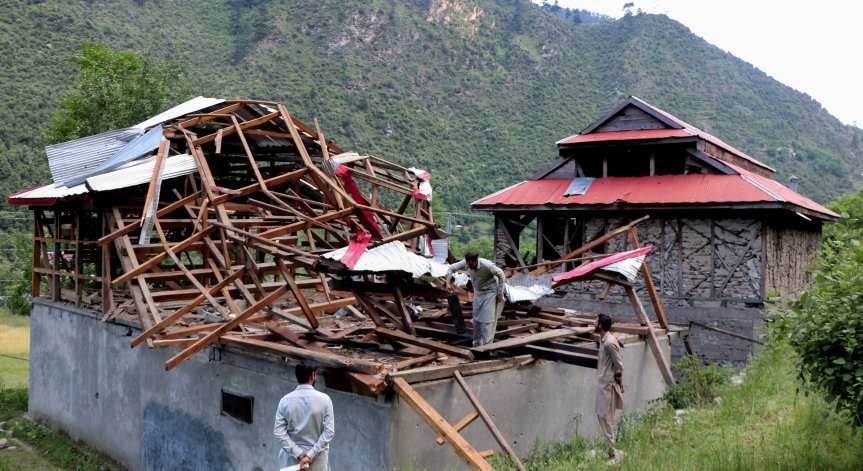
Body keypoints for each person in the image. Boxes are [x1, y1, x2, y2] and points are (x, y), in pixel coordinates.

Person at [274, 359, 335, 471]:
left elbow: (279, 432)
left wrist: (299, 453)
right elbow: (329, 432)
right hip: (317, 462)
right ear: (313, 375)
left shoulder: (285, 400)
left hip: (292, 461)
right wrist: (310, 454)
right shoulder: (325, 400)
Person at [444, 251, 506, 347]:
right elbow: (451, 268)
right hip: (478, 291)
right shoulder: (466, 263)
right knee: (476, 318)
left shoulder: (487, 265)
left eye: (472, 264)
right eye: (468, 264)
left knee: (487, 320)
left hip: (490, 291)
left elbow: (501, 274)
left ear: (476, 261)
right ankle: (476, 344)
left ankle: (486, 346)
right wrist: (448, 283)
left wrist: (500, 292)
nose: (470, 266)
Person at [595, 313, 624, 461]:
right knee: (602, 416)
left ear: (600, 325)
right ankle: (611, 449)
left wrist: (619, 381)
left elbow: (619, 365)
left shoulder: (609, 342)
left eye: (596, 321)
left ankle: (613, 451)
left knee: (605, 417)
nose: (594, 323)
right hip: (602, 384)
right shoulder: (603, 340)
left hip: (607, 385)